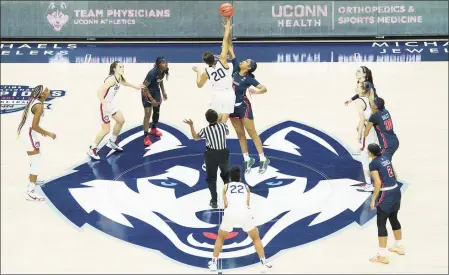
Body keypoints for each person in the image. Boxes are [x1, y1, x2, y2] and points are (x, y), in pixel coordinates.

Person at [208, 165, 272, 272]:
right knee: (256, 238)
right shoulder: (246, 187)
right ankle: (264, 263)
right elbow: (247, 204)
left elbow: (226, 204)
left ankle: (214, 263)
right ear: (240, 178)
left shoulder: (226, 187)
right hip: (245, 213)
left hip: (230, 213)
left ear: (229, 178)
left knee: (220, 237)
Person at [87, 61, 144, 160]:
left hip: (110, 104)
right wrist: (104, 103)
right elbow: (99, 91)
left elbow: (124, 82)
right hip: (105, 105)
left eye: (123, 67)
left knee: (121, 120)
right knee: (106, 130)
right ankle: (92, 149)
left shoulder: (118, 77)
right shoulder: (111, 79)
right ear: (114, 69)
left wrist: (136, 86)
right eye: (120, 67)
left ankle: (112, 142)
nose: (122, 69)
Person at [227, 44, 270, 174]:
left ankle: (263, 158)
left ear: (248, 68)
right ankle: (247, 159)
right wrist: (228, 29)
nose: (243, 61)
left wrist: (256, 92)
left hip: (243, 107)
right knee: (240, 134)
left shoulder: (249, 79)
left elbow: (264, 88)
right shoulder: (235, 68)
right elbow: (229, 48)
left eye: (246, 62)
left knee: (252, 133)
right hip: (231, 107)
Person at [16, 85, 56, 201]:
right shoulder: (39, 106)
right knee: (36, 159)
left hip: (28, 132)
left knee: (36, 158)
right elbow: (34, 126)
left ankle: (32, 178)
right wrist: (48, 133)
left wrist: (40, 132)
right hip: (28, 134)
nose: (49, 91)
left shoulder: (35, 101)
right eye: (46, 90)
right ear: (42, 94)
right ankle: (30, 190)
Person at [183, 109, 229, 209]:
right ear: (217, 117)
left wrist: (191, 125)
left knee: (211, 179)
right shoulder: (223, 126)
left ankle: (214, 201)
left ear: (207, 120)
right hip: (223, 154)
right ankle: (227, 199)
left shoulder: (205, 130)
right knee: (226, 177)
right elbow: (225, 128)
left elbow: (195, 138)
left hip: (211, 155)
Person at [192, 18, 234, 124]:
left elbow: (199, 85)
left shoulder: (206, 72)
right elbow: (225, 41)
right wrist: (227, 26)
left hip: (217, 94)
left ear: (206, 62)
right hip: (229, 92)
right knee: (224, 118)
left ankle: (216, 134)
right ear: (214, 57)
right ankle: (222, 130)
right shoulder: (222, 60)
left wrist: (198, 72)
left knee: (216, 118)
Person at [367, 143, 404, 264]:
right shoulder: (385, 158)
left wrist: (373, 199)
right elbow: (394, 174)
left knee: (381, 224)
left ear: (371, 153)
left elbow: (377, 183)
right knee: (394, 218)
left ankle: (382, 256)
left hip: (386, 194)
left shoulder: (373, 164)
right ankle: (399, 246)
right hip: (396, 191)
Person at [353, 81, 379, 191]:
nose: (356, 88)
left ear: (363, 90)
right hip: (373, 129)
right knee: (373, 154)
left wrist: (359, 134)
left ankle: (369, 184)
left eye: (358, 87)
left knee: (364, 157)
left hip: (367, 131)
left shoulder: (359, 101)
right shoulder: (369, 97)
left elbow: (362, 118)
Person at [142, 57, 169, 146]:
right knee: (147, 114)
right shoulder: (152, 73)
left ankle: (153, 129)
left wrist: (163, 92)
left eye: (166, 62)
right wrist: (151, 99)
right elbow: (144, 86)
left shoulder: (163, 71)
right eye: (163, 63)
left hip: (156, 91)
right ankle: (146, 136)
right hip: (147, 92)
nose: (166, 64)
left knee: (156, 111)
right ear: (158, 65)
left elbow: (160, 81)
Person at [364, 98, 399, 162]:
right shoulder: (386, 111)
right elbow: (380, 120)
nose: (371, 103)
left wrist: (365, 124)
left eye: (373, 102)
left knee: (377, 162)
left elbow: (365, 133)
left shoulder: (374, 116)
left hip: (387, 145)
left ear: (376, 106)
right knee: (386, 163)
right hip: (394, 141)